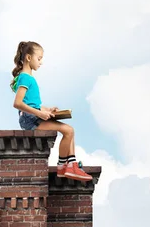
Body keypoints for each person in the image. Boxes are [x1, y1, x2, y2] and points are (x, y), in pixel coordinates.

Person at [10, 41, 92, 182]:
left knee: (69, 130)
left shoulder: (28, 78)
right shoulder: (25, 77)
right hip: (30, 119)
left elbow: (32, 104)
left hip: (33, 116)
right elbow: (17, 103)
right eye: (39, 58)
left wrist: (47, 109)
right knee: (68, 131)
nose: (41, 62)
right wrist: (40, 113)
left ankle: (69, 166)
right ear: (29, 58)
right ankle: (64, 167)